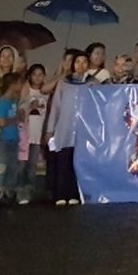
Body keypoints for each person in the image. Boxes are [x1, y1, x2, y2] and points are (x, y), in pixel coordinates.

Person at [47, 51, 89, 205]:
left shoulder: (92, 83)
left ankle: (74, 193)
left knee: (76, 163)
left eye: (85, 62)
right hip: (63, 129)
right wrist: (50, 129)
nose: (81, 65)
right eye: (78, 62)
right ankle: (60, 194)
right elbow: (56, 107)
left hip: (82, 130)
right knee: (62, 162)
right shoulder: (63, 83)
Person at [0, 72, 25, 205]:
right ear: (12, 85)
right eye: (19, 83)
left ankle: (5, 193)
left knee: (11, 166)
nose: (21, 86)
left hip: (13, 138)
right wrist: (16, 118)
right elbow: (2, 123)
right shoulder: (1, 103)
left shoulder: (14, 101)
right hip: (2, 140)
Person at [19, 63, 48, 203]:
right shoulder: (26, 90)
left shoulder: (46, 92)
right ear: (29, 76)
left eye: (40, 74)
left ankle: (29, 191)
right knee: (21, 165)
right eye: (34, 74)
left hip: (38, 135)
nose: (37, 77)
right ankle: (20, 192)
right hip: (25, 135)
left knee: (32, 165)